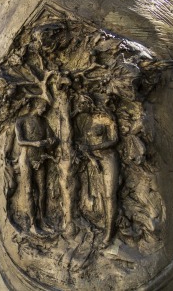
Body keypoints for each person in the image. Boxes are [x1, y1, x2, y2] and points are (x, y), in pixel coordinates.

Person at [77, 96, 120, 246]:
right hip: (95, 161)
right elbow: (84, 145)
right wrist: (92, 158)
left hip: (109, 159)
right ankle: (103, 226)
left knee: (110, 195)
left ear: (89, 103)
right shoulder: (86, 121)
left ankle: (109, 232)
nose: (79, 107)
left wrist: (94, 149)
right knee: (101, 195)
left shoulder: (107, 117)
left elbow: (114, 140)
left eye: (82, 104)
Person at [14, 99, 57, 235]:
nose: (44, 110)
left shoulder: (43, 122)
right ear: (36, 105)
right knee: (29, 191)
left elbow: (52, 137)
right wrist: (36, 143)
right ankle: (33, 224)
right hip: (26, 158)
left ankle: (43, 219)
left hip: (40, 158)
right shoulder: (21, 120)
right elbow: (20, 141)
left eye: (46, 108)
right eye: (43, 107)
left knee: (42, 190)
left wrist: (51, 141)